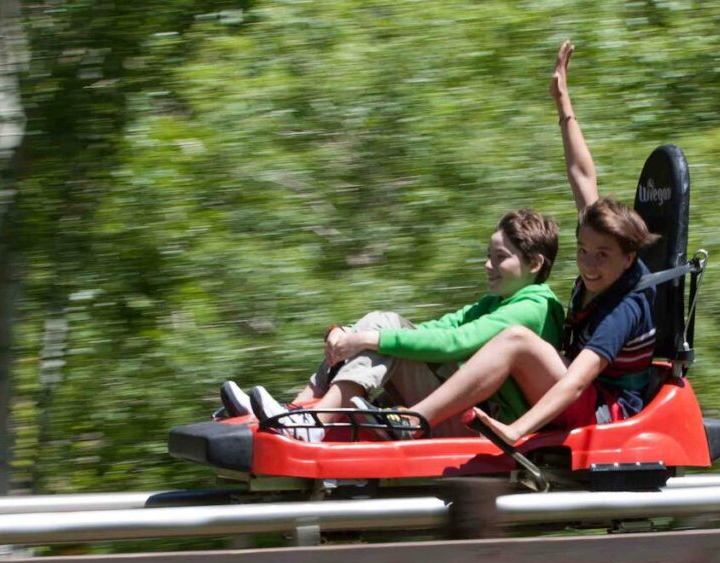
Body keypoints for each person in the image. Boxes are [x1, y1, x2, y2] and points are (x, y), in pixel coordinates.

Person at [391, 40, 659, 444]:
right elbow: (582, 175)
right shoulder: (602, 253)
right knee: (500, 337)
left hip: (607, 414)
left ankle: (415, 420)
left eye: (602, 256)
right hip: (578, 388)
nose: (588, 264)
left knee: (517, 338)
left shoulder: (624, 305)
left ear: (628, 257)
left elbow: (575, 382)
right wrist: (563, 101)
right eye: (583, 251)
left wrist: (517, 430)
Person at [222, 208, 563, 438]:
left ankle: (311, 423)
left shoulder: (534, 307)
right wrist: (356, 333)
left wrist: (372, 339)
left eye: (499, 258)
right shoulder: (497, 302)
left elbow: (457, 343)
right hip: (464, 409)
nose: (488, 265)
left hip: (487, 424)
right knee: (384, 326)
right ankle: (294, 413)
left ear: (534, 263)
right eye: (488, 256)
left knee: (382, 331)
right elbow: (439, 329)